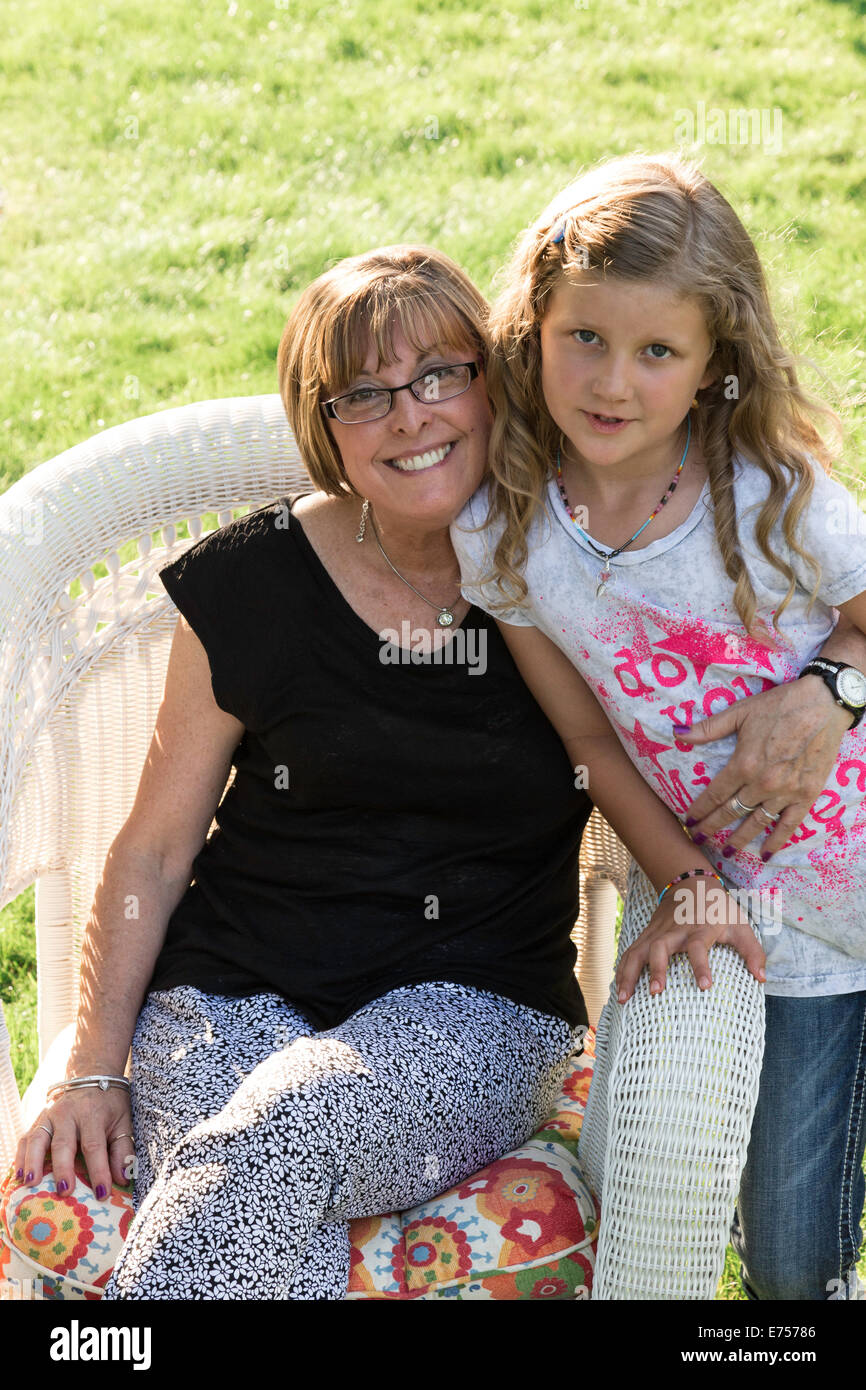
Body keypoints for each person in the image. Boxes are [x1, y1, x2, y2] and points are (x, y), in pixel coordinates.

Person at [10, 245, 864, 1301]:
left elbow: (694, 691)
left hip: (474, 1008)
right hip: (221, 998)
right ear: (323, 426)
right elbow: (154, 843)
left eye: (439, 375)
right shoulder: (246, 585)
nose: (408, 416)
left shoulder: (566, 572)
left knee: (274, 1136)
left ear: (494, 379)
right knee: (259, 1207)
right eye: (362, 394)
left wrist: (826, 692)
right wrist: (94, 1060)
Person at [450, 152, 866, 1301]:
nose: (612, 382)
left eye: (656, 352)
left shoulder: (768, 496)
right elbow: (590, 745)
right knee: (787, 1263)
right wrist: (688, 879)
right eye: (583, 336)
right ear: (532, 326)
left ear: (711, 365)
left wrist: (828, 691)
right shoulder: (506, 536)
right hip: (787, 938)